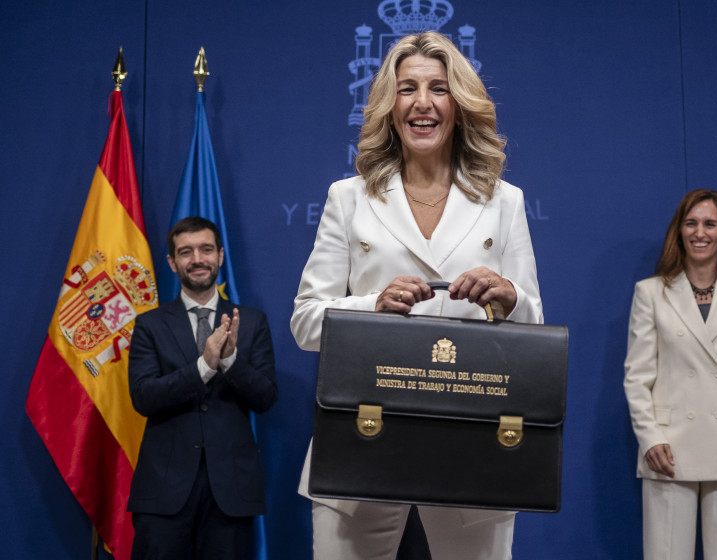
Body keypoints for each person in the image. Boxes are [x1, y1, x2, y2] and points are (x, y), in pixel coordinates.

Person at [290, 31, 543, 560]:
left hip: (471, 438)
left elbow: (534, 330)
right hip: (363, 433)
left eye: (438, 88)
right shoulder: (348, 197)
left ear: (460, 105)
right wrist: (373, 305)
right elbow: (307, 323)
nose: (422, 103)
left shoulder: (504, 201)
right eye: (407, 89)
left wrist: (509, 296)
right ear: (389, 105)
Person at [623, 189, 717, 560]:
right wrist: (649, 437)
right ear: (679, 231)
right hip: (669, 448)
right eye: (690, 223)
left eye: (710, 224)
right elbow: (637, 376)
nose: (700, 232)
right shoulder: (651, 293)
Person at [127, 216, 278, 559]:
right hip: (164, 489)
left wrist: (230, 360)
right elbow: (144, 397)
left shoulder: (252, 322)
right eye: (186, 252)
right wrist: (206, 365)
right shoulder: (149, 325)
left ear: (220, 256)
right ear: (171, 262)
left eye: (206, 249)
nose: (197, 259)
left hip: (231, 491)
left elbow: (266, 397)